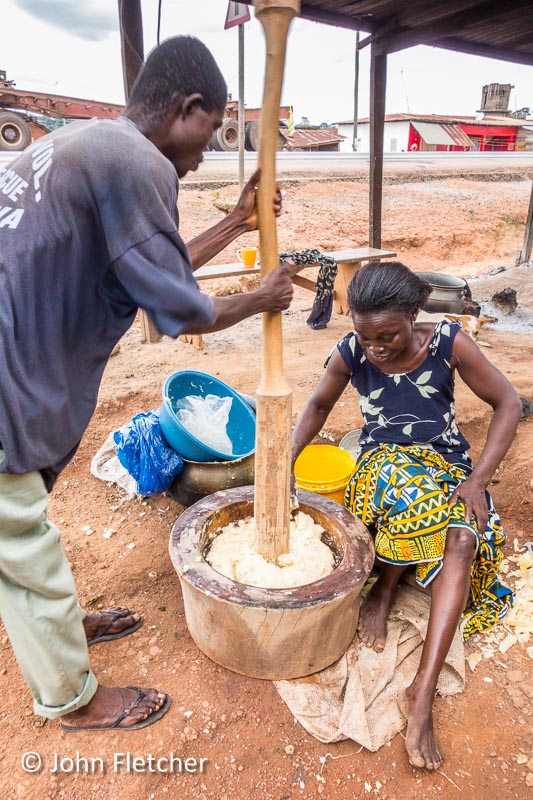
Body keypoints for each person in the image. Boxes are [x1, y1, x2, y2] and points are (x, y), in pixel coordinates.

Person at [0, 36, 293, 732]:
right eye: (213, 131)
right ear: (187, 108)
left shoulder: (89, 145)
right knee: (20, 542)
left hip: (19, 367)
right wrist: (261, 296)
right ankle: (71, 699)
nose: (207, 155)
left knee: (16, 535)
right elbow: (178, 308)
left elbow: (150, 268)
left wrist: (236, 220)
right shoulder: (137, 163)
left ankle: (64, 625)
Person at [291, 261, 521, 770]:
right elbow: (318, 405)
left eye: (388, 336)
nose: (375, 347)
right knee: (412, 503)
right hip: (381, 462)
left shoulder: (448, 343)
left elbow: (508, 403)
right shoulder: (352, 352)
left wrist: (477, 480)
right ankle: (387, 589)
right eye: (365, 336)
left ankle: (422, 688)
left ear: (414, 316)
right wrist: (284, 459)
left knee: (466, 538)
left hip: (447, 462)